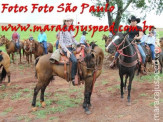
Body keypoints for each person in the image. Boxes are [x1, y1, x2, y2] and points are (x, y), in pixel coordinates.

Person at [59, 15, 80, 85]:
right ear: (65, 22)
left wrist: (79, 44)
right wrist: (67, 51)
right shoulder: (62, 31)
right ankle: (73, 77)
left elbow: (73, 40)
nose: (69, 22)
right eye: (67, 21)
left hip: (72, 47)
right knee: (74, 60)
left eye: (70, 21)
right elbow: (61, 42)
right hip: (66, 48)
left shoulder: (71, 30)